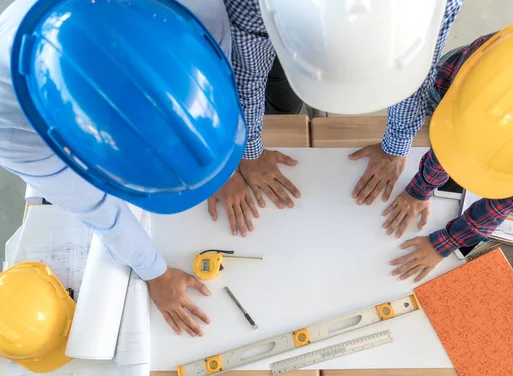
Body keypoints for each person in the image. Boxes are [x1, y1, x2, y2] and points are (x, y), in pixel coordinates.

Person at [0, 0, 241, 337]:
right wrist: (155, 273)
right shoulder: (11, 129)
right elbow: (98, 209)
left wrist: (222, 162)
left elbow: (212, 62)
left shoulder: (193, 9)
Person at [209, 0, 463, 237]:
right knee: (282, 95)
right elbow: (247, 75)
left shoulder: (438, 5)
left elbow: (419, 70)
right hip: (273, 31)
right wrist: (250, 150)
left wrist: (396, 146)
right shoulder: (253, 3)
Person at [382, 11, 513, 283]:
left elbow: (508, 200)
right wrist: (419, 188)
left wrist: (448, 241)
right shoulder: (493, 67)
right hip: (477, 75)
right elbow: (454, 133)